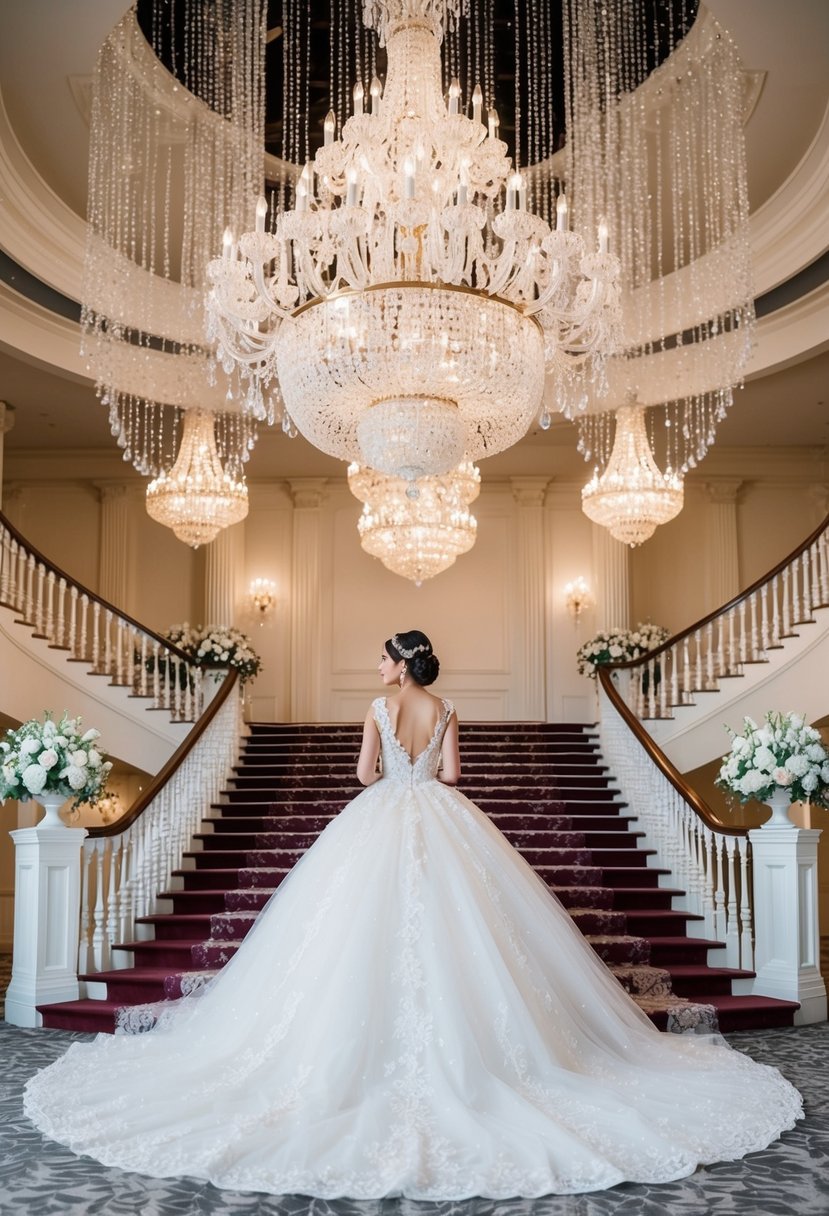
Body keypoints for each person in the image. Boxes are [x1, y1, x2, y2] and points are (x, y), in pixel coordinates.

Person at [24, 630, 802, 1200]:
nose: (377, 667)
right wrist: (425, 771)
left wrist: (388, 771)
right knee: (474, 935)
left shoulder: (376, 705)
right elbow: (456, 775)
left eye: (383, 658)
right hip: (444, 820)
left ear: (398, 666)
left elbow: (365, 774)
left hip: (379, 822)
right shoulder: (448, 706)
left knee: (344, 936)